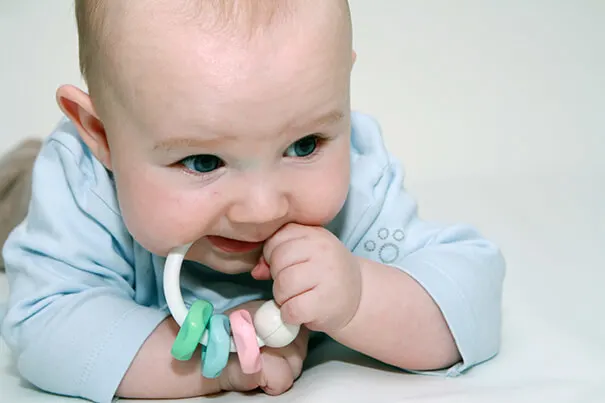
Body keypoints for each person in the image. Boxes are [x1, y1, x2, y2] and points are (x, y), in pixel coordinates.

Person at [0, 1, 506, 402]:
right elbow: (44, 326)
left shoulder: (359, 184)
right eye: (203, 161)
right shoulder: (83, 186)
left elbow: (472, 297)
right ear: (101, 134)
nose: (263, 209)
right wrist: (218, 364)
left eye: (303, 145)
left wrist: (360, 297)